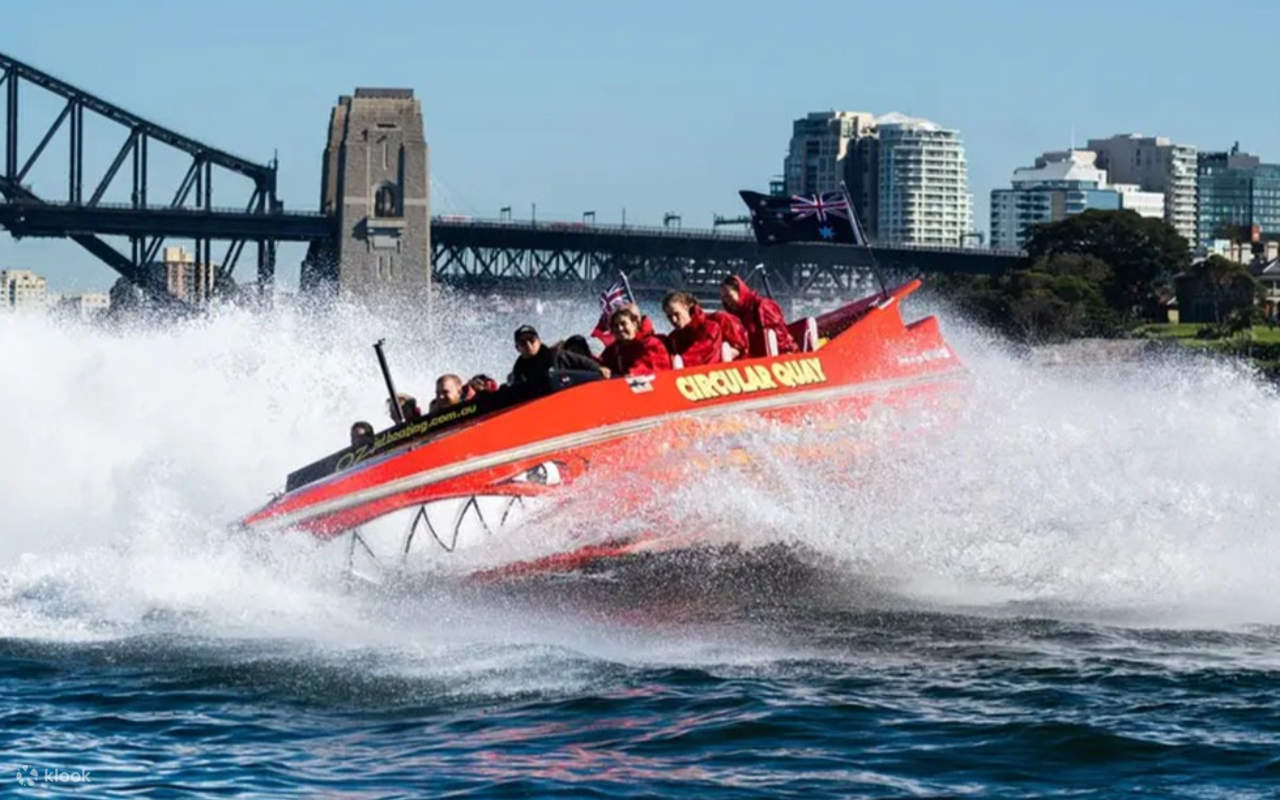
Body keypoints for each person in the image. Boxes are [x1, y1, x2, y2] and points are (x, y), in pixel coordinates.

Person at [720, 274, 797, 357]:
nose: (727, 301)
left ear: (740, 292)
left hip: (776, 358)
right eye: (724, 298)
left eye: (729, 296)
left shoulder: (762, 306)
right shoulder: (733, 316)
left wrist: (786, 354)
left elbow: (780, 336)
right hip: (750, 360)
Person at [508, 324, 609, 386]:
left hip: (567, 396)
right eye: (523, 342)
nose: (528, 345)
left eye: (531, 340)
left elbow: (584, 362)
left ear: (539, 341)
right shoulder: (519, 369)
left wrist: (598, 369)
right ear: (517, 348)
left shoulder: (555, 355)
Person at [598, 305, 671, 376]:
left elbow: (652, 367)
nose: (620, 329)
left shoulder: (651, 343)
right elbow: (602, 361)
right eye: (616, 326)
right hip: (624, 384)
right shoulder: (616, 348)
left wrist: (634, 373)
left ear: (634, 324)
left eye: (623, 324)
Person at [663, 291, 731, 367]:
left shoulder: (710, 328)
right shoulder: (673, 338)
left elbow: (702, 352)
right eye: (669, 317)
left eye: (676, 314)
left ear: (686, 307)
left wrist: (681, 361)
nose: (674, 320)